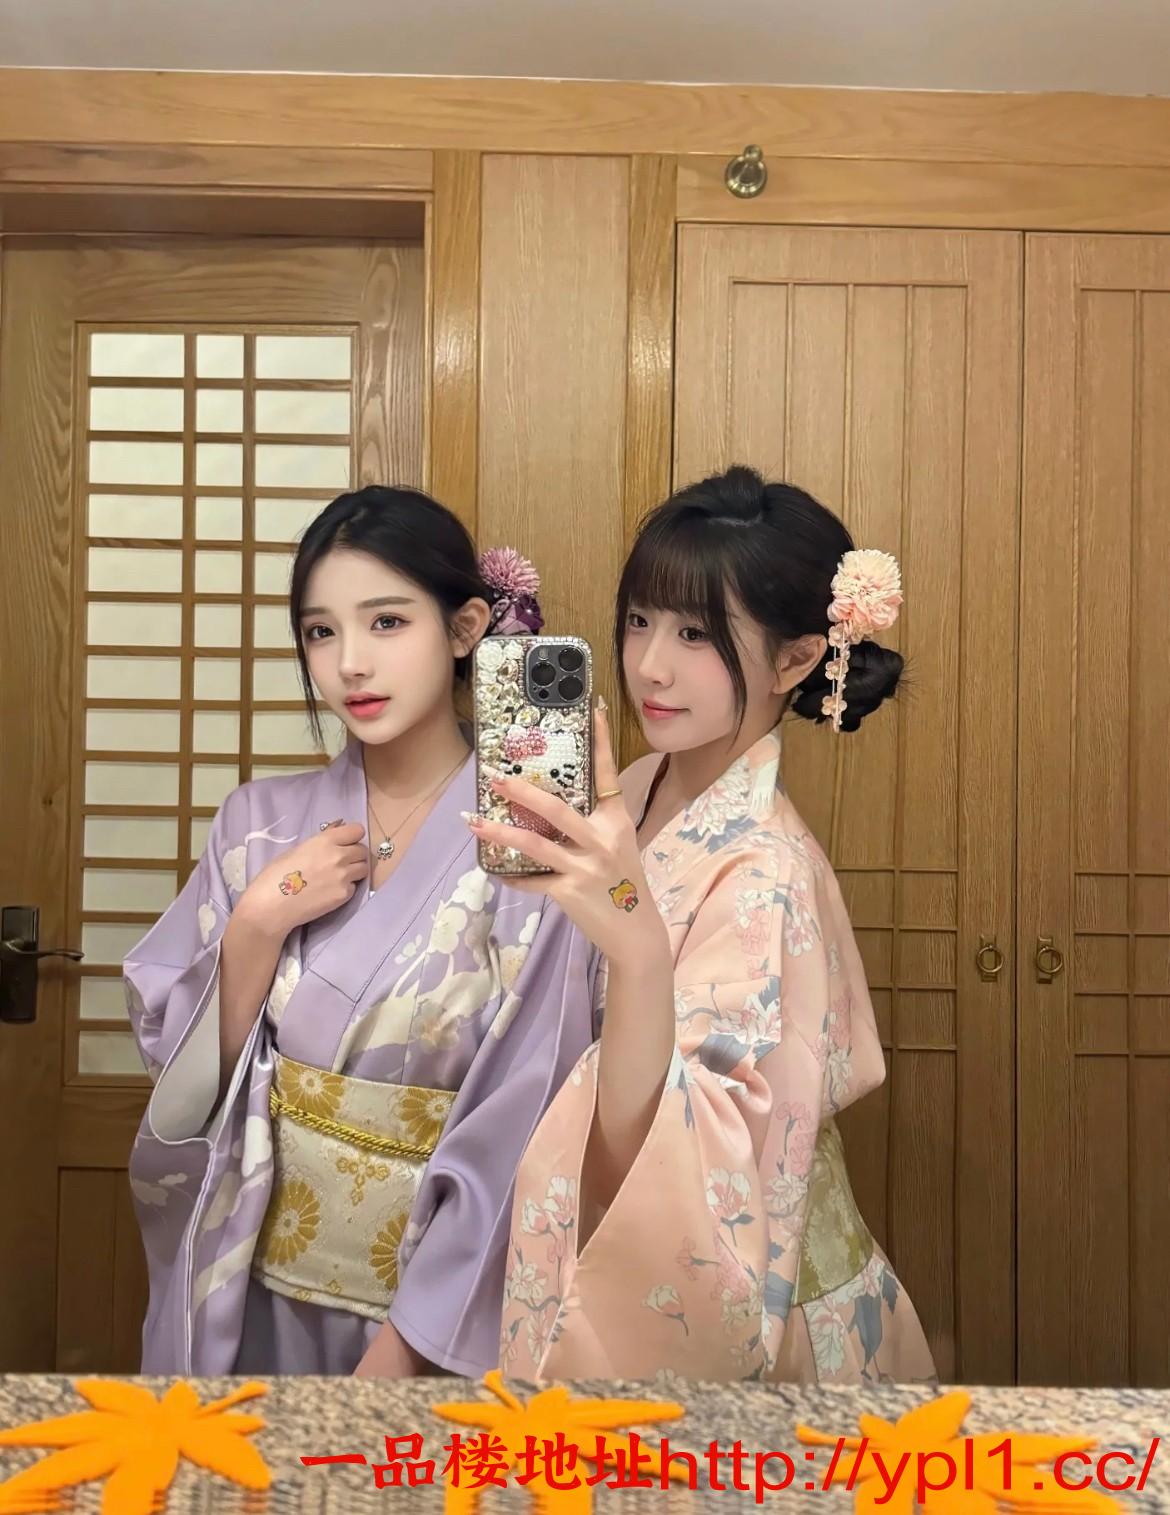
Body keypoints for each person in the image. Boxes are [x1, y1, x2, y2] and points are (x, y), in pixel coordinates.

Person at [471, 465, 936, 1383]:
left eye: (694, 633)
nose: (650, 664)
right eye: (640, 619)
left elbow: (689, 1165)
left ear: (795, 661)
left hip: (778, 1319)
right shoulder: (639, 788)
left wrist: (639, 952)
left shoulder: (764, 872)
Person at [126, 485, 597, 1377]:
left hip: (441, 1312)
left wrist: (411, 1347)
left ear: (464, 629)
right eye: (320, 631)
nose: (349, 663)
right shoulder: (256, 826)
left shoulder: (531, 844)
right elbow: (182, 1095)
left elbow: (537, 1105)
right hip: (252, 1290)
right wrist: (255, 927)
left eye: (386, 622)